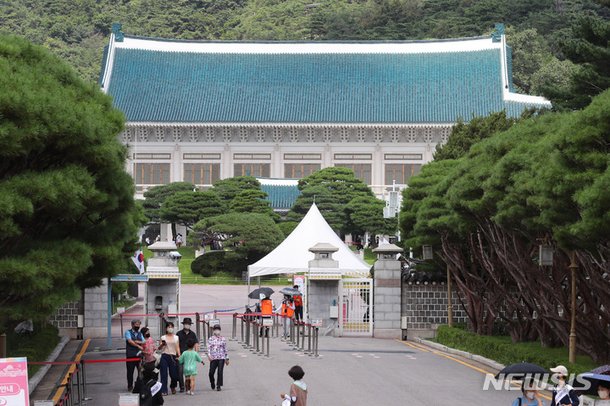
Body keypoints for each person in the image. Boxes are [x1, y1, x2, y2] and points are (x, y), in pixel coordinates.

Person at [176, 317, 198, 393]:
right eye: (186, 324)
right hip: (181, 354)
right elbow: (177, 344)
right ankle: (182, 386)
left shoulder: (193, 334)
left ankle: (188, 387)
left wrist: (196, 353)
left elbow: (196, 344)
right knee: (180, 371)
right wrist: (179, 355)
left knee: (188, 372)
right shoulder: (178, 334)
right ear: (183, 324)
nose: (187, 325)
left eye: (188, 324)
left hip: (190, 356)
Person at [159, 322, 180, 396]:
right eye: (169, 327)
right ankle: (164, 390)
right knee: (164, 374)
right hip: (164, 356)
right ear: (166, 328)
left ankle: (172, 386)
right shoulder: (163, 337)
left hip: (173, 357)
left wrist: (179, 355)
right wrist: (162, 344)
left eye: (171, 327)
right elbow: (159, 348)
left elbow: (177, 347)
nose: (170, 328)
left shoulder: (176, 337)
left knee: (174, 375)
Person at [207, 325, 229, 391]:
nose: (217, 331)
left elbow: (225, 349)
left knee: (220, 372)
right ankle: (212, 382)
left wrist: (227, 358)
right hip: (213, 358)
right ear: (213, 330)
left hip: (221, 357)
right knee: (211, 373)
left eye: (218, 329)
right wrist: (209, 355)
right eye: (215, 329)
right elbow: (208, 348)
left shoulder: (223, 339)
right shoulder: (211, 339)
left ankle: (218, 385)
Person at [125, 319, 145, 392]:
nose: (138, 326)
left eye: (139, 324)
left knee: (141, 371)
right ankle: (130, 386)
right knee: (130, 372)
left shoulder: (140, 334)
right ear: (132, 325)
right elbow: (130, 341)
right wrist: (138, 345)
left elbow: (144, 341)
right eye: (136, 324)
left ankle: (138, 385)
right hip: (130, 355)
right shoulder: (128, 332)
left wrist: (137, 341)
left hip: (139, 355)